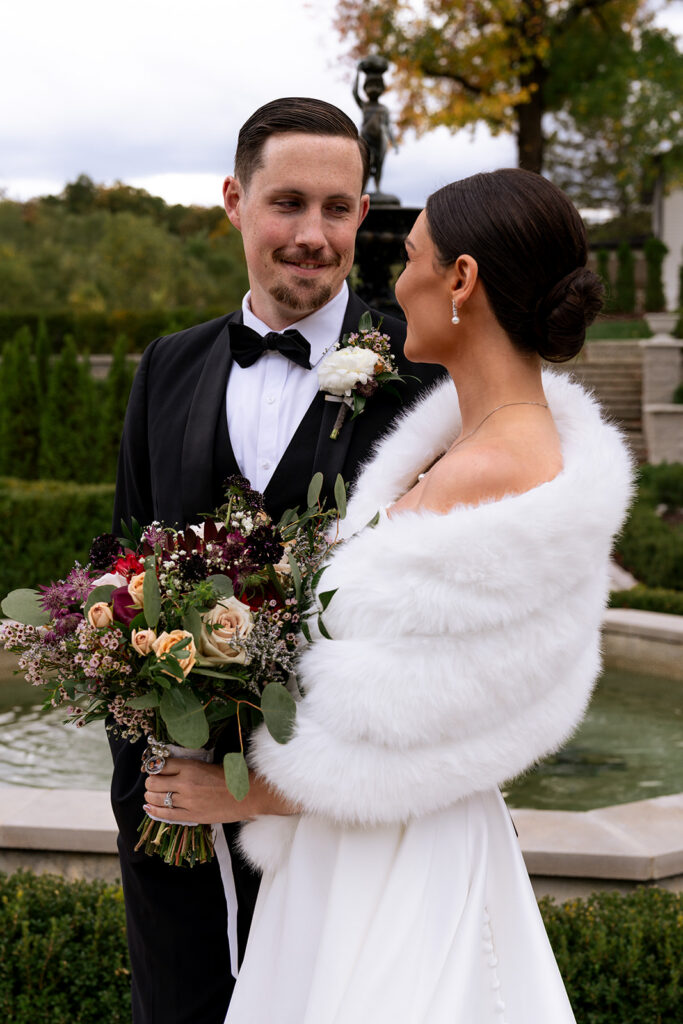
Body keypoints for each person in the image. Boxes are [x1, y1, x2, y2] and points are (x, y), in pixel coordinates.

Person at [144, 168, 634, 1023]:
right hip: (363, 847)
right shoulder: (467, 447)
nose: (392, 281)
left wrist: (247, 791)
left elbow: (410, 723)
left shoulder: (494, 466)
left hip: (399, 866)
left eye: (408, 257)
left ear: (461, 279)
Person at [109, 96, 441, 1024]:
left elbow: (435, 648)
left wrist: (266, 792)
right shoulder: (165, 368)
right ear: (233, 200)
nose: (313, 234)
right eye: (286, 203)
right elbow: (121, 572)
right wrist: (144, 781)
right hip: (171, 823)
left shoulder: (424, 381)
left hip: (339, 842)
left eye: (338, 208)